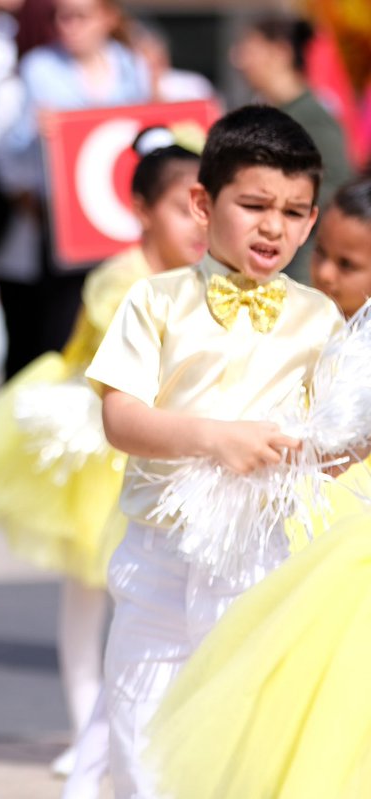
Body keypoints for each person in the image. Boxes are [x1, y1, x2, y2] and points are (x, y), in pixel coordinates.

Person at [83, 105, 344, 799]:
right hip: (158, 555)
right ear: (203, 202)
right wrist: (216, 438)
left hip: (261, 554)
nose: (273, 226)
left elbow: (329, 432)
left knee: (242, 732)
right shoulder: (156, 300)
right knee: (139, 734)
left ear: (313, 220)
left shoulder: (319, 317)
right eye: (254, 204)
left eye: (294, 212)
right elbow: (121, 417)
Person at [0, 129, 204, 788]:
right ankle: (84, 722)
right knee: (91, 588)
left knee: (147, 598)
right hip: (95, 439)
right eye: (184, 206)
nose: (198, 223)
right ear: (144, 209)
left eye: (206, 207)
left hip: (162, 441)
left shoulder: (203, 280)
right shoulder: (121, 277)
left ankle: (130, 727)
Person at [144, 175, 371, 799]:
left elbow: (335, 447)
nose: (324, 273)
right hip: (310, 537)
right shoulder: (321, 331)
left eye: (348, 264)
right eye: (322, 252)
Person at [0, 0, 150, 379]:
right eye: (60, 16)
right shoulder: (39, 68)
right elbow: (10, 148)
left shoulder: (132, 66)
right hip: (63, 229)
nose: (68, 26)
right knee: (61, 331)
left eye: (80, 16)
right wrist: (34, 129)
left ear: (108, 18)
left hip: (119, 226)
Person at [231, 14, 354, 284]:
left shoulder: (313, 118)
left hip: (300, 268)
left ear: (280, 52)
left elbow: (337, 187)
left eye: (249, 48)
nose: (238, 59)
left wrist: (277, 202)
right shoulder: (267, 113)